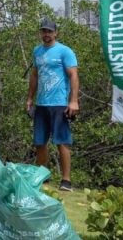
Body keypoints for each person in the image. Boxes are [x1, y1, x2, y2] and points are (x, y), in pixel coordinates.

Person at [26, 19, 79, 192]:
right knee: (40, 142)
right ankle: (43, 176)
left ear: (55, 33)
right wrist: (29, 99)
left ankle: (66, 180)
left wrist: (73, 101)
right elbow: (34, 75)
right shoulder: (37, 51)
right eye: (43, 31)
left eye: (49, 31)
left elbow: (73, 76)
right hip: (41, 103)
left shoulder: (65, 51)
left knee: (62, 141)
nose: (46, 34)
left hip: (59, 103)